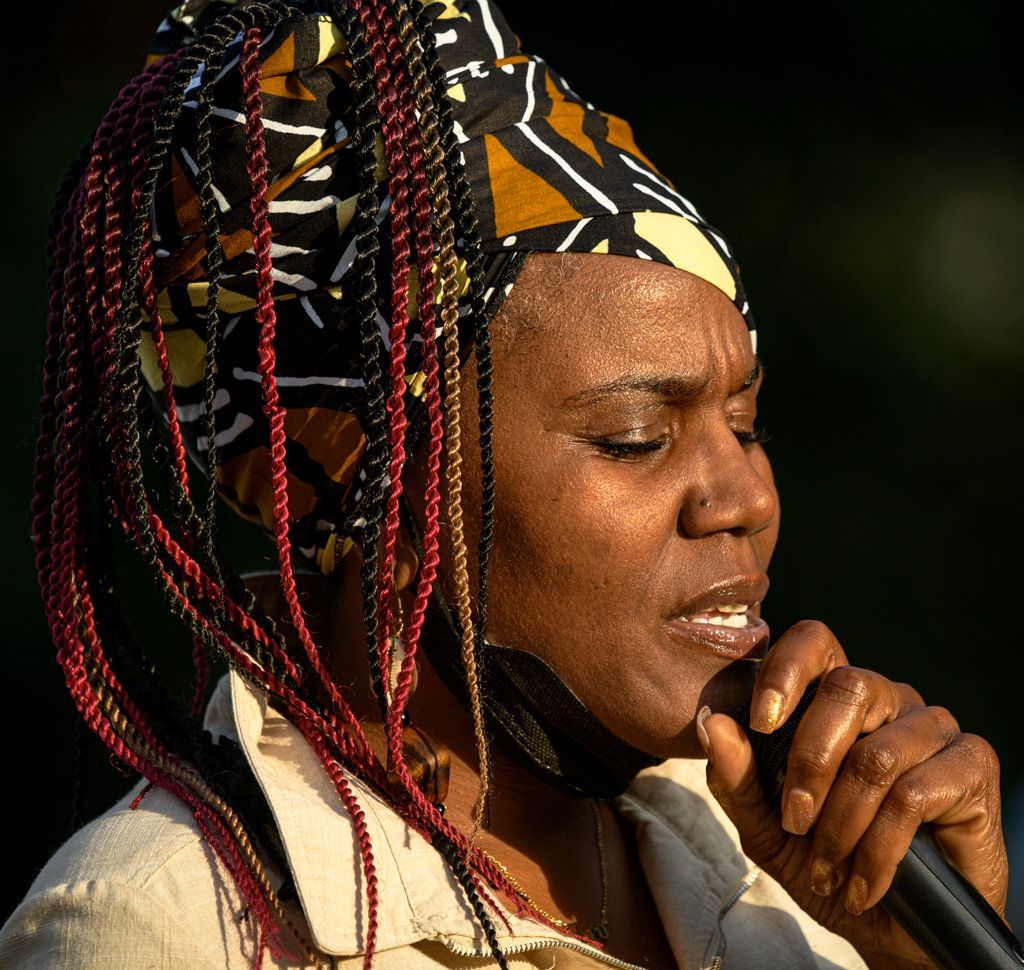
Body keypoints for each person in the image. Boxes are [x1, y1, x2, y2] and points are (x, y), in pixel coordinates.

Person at [0, 0, 1010, 967]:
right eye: (633, 437)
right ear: (391, 503)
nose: (743, 498)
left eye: (745, 424)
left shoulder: (785, 876)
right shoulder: (178, 926)